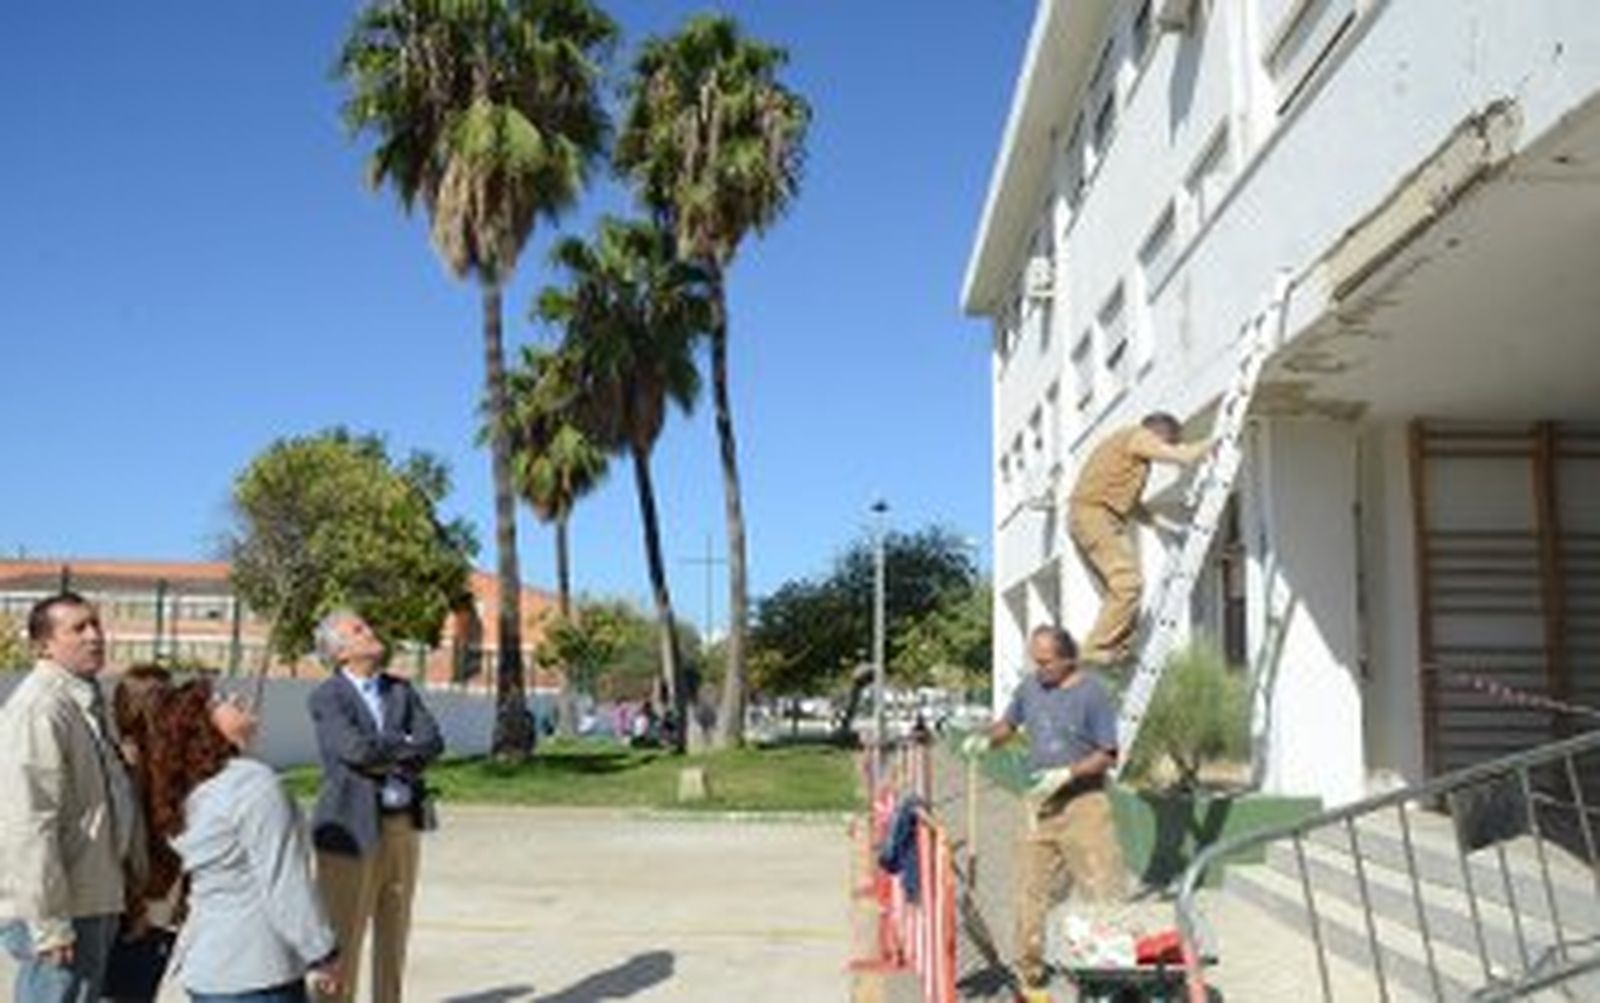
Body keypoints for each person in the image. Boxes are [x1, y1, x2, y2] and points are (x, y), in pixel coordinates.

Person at [145, 679, 339, 1002]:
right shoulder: (252, 784)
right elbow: (285, 884)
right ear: (203, 725)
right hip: (257, 972)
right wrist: (322, 952)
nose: (236, 696)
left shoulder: (195, 788)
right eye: (220, 698)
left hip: (210, 967)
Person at [962, 625, 1125, 991]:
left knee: (1102, 887)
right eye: (1035, 662)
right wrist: (986, 739)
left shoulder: (1093, 694)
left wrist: (1067, 773)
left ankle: (1109, 973)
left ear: (1069, 659)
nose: (1040, 670)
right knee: (1031, 890)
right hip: (1039, 805)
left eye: (1046, 662)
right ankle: (1029, 972)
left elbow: (1108, 755)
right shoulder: (1030, 688)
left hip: (1084, 804)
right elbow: (1008, 724)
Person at [0, 592, 139, 1002]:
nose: (95, 636)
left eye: (96, 624)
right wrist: (50, 925)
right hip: (63, 909)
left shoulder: (83, 703)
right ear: (44, 645)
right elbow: (27, 824)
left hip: (91, 898)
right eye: (78, 628)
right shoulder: (41, 709)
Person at [307, 611, 443, 1003]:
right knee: (343, 939)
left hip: (402, 826)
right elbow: (355, 751)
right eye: (359, 629)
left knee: (394, 936)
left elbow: (432, 742)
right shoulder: (328, 696)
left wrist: (384, 751)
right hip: (350, 830)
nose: (371, 631)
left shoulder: (401, 689)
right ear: (340, 652)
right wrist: (403, 745)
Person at [1067, 412, 1210, 665]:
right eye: (1170, 441)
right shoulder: (1137, 436)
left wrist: (1170, 526)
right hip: (1095, 516)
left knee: (1120, 593)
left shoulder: (1126, 457)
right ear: (1161, 432)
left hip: (1093, 517)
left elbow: (1132, 506)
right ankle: (1095, 647)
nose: (1167, 447)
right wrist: (1216, 440)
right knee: (1128, 584)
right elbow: (1183, 457)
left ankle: (1117, 650)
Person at [105, 664, 181, 1003]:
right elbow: (125, 838)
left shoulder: (163, 758)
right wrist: (136, 900)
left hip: (157, 902)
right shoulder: (125, 763)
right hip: (137, 903)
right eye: (168, 699)